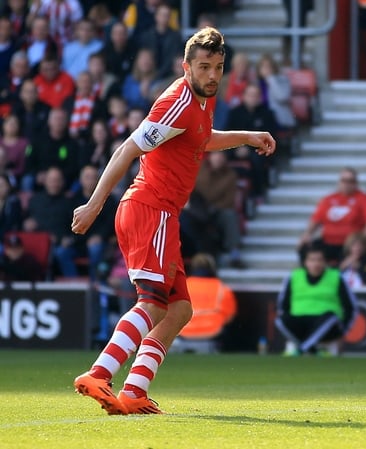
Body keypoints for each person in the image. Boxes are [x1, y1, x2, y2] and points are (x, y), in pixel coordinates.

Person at [71, 27, 276, 415]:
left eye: (218, 66)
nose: (213, 75)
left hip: (163, 214)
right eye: (204, 67)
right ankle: (100, 373)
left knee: (180, 309)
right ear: (186, 67)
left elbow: (198, 139)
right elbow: (127, 149)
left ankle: (133, 393)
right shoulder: (177, 101)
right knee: (152, 303)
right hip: (151, 208)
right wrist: (94, 204)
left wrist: (246, 136)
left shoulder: (201, 101)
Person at [276, 243, 357, 356]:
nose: (316, 264)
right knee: (280, 320)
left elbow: (350, 307)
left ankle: (301, 350)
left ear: (325, 262)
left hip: (326, 324)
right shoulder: (294, 277)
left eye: (319, 260)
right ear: (305, 262)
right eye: (312, 260)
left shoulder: (336, 277)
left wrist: (343, 331)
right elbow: (283, 305)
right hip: (300, 323)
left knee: (330, 317)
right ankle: (312, 349)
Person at [298, 167, 366, 264]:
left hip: (348, 244)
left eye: (350, 181)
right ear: (339, 182)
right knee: (304, 247)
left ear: (356, 183)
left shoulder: (364, 199)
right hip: (327, 241)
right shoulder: (328, 199)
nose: (347, 184)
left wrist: (361, 241)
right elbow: (315, 220)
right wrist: (307, 233)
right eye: (344, 181)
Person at [176, 253, 237, 346]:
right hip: (213, 331)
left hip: (184, 331)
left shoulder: (183, 286)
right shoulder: (222, 288)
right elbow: (229, 317)